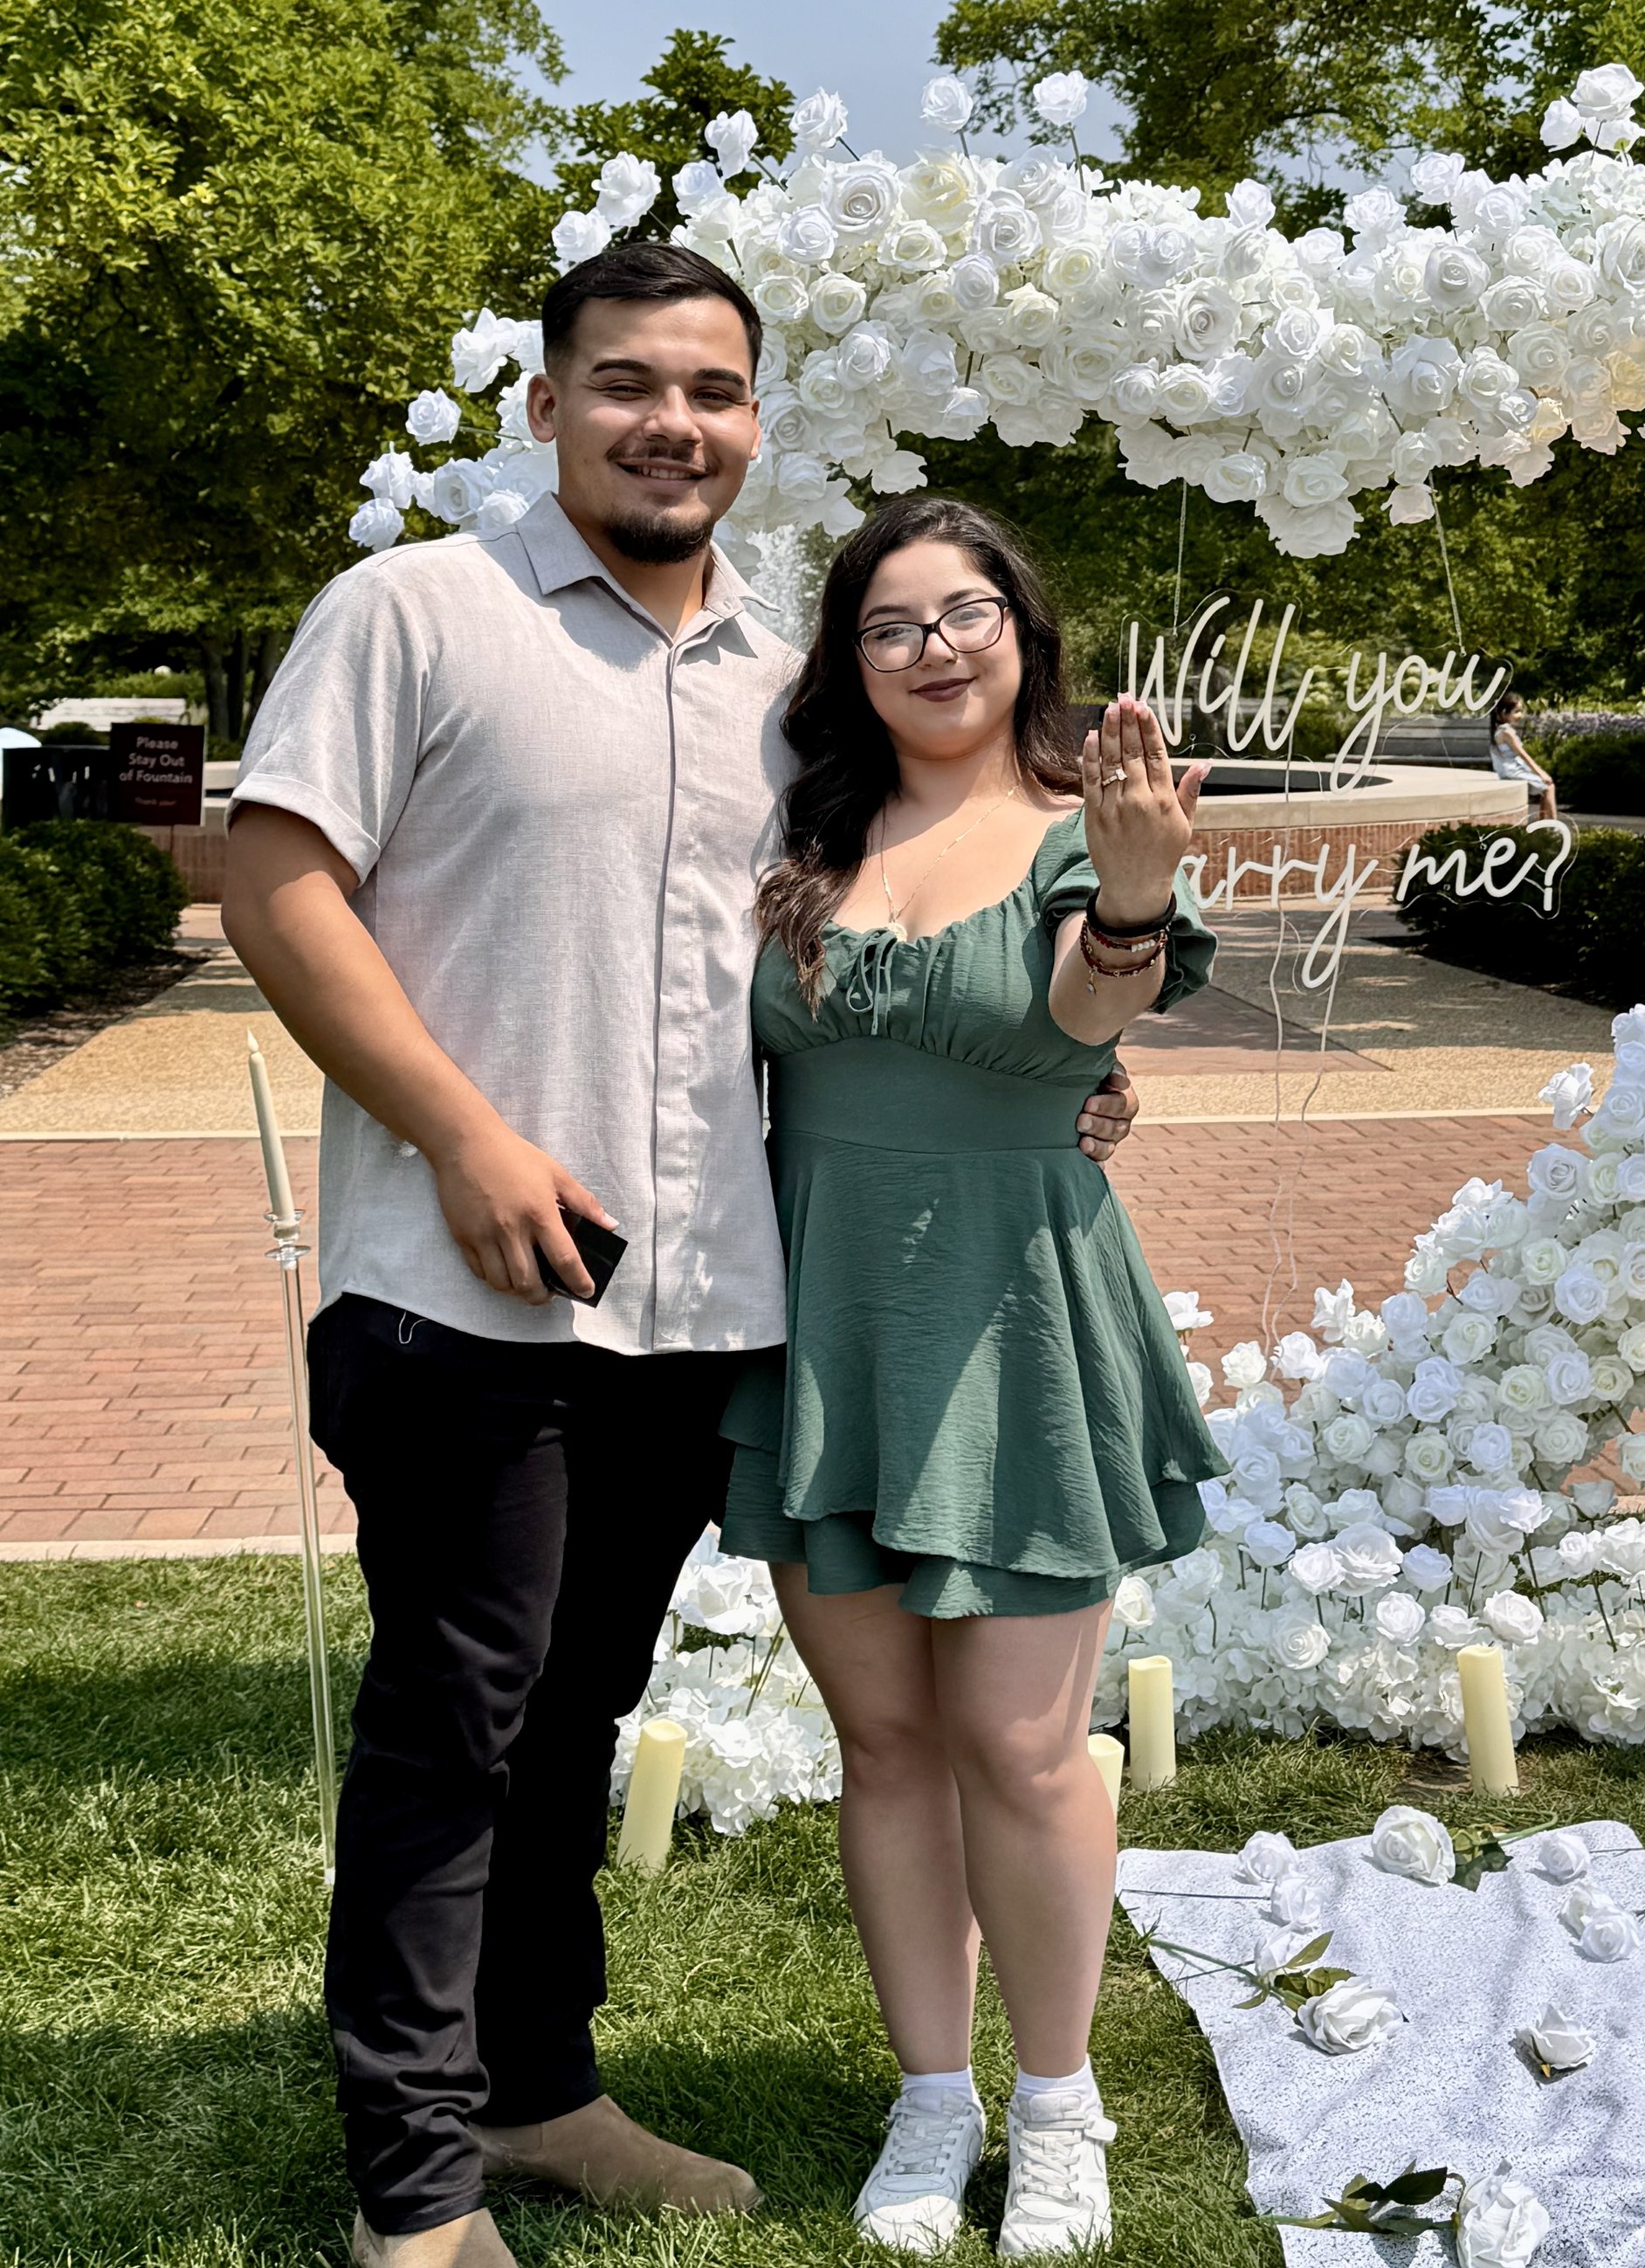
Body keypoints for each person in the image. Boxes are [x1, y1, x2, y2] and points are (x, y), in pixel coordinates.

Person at [220, 245, 1139, 2268]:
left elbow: (909, 935)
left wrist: (1051, 1087)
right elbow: (277, 879)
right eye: (627, 384)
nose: (673, 423)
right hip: (460, 1294)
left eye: (714, 392)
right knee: (455, 1730)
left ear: (752, 423)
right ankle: (417, 2184)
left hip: (699, 1308)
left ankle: (539, 2090)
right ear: (544, 406)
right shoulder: (419, 615)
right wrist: (462, 1134)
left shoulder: (783, 692)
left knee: (571, 1722)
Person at [719, 495, 1225, 2259]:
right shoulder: (802, 829)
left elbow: (1087, 1019)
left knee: (1016, 1741)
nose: (931, 644)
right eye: (888, 622)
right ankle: (929, 2097)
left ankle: (1059, 2103)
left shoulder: (1084, 824)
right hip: (824, 1318)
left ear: (1022, 627)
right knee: (881, 1737)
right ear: (849, 663)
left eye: (963, 610)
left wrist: (1137, 900)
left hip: (1012, 1316)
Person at [1488, 692, 1558, 823]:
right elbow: (1523, 755)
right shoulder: (1507, 732)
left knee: (1545, 787)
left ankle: (1542, 824)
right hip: (1512, 771)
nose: (1520, 715)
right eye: (1517, 711)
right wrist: (1541, 773)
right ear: (1504, 713)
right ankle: (1554, 825)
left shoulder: (1501, 730)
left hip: (1510, 769)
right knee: (1549, 787)